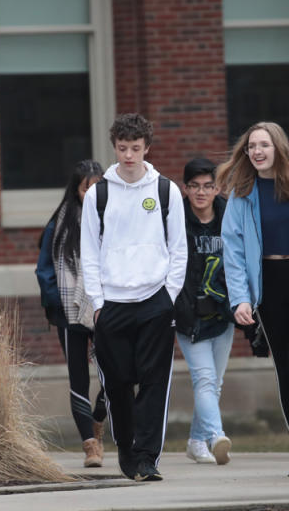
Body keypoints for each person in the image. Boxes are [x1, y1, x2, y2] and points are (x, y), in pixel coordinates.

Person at [80, 113, 187, 482]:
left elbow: (179, 248)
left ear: (147, 148)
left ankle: (146, 458)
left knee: (155, 382)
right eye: (122, 148)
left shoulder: (165, 190)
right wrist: (97, 302)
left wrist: (168, 295)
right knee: (118, 383)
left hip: (155, 300)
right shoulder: (99, 194)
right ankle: (126, 445)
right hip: (112, 304)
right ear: (114, 147)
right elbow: (89, 252)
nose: (129, 155)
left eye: (136, 149)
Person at [218, 121, 289, 477]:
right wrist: (241, 300)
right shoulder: (241, 193)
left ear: (278, 147)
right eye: (251, 146)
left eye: (264, 144)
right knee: (283, 365)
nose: (257, 151)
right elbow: (232, 253)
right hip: (267, 287)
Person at [41, 159, 109, 467]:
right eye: (87, 188)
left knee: (117, 373)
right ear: (77, 190)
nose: (93, 193)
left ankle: (100, 417)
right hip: (69, 313)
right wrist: (58, 302)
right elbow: (44, 269)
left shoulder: (114, 221)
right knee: (78, 379)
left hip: (106, 309)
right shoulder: (59, 225)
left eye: (98, 187)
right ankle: (90, 445)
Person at [174, 158, 235, 465]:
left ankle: (196, 442)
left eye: (207, 186)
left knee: (215, 382)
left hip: (223, 314)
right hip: (189, 314)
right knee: (205, 379)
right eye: (194, 186)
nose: (201, 192)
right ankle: (216, 436)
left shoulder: (230, 216)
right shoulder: (175, 219)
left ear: (217, 188)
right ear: (185, 189)